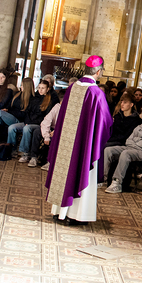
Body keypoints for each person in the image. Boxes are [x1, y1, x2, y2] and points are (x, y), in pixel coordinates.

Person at [45, 55, 113, 222]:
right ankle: (76, 216)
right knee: (82, 172)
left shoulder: (72, 88)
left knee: (64, 172)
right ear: (98, 72)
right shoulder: (96, 93)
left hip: (66, 144)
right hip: (84, 145)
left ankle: (59, 212)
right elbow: (106, 122)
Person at [103, 104, 142, 193]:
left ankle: (117, 182)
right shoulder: (139, 127)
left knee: (126, 153)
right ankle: (104, 178)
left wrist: (136, 140)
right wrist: (140, 141)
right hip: (129, 147)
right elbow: (128, 141)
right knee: (108, 150)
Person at [11, 79, 56, 166]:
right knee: (15, 127)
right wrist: (27, 122)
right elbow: (27, 111)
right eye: (39, 88)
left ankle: (25, 153)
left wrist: (31, 123)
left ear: (47, 89)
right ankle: (15, 150)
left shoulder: (50, 101)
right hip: (29, 122)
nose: (40, 90)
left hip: (39, 124)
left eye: (43, 88)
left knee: (27, 128)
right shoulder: (34, 98)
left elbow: (45, 117)